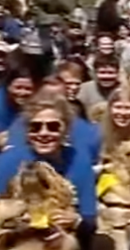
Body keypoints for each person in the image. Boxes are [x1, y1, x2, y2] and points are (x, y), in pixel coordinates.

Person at [0, 90, 98, 225]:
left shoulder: (78, 160)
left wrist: (76, 220)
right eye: (35, 127)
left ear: (66, 129)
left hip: (65, 237)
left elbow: (89, 216)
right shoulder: (9, 161)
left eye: (53, 127)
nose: (44, 133)